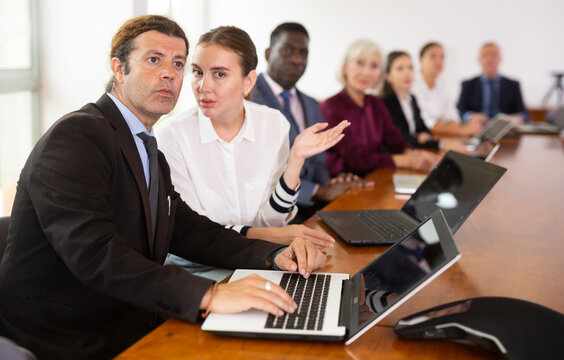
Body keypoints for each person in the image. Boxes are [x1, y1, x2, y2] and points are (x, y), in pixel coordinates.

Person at [0, 16, 327, 360]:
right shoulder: (77, 136)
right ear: (119, 69)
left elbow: (185, 228)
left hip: (130, 313)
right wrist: (209, 295)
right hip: (68, 333)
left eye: (178, 63)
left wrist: (269, 255)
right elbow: (95, 253)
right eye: (154, 59)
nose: (170, 73)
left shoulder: (146, 144)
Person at [156, 26, 346, 281]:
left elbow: (273, 221)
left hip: (261, 262)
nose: (203, 86)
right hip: (199, 272)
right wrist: (277, 238)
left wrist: (295, 161)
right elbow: (196, 234)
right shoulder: (171, 134)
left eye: (220, 74)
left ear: (249, 81)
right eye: (197, 72)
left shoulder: (273, 123)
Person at [250, 22, 370, 222]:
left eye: (303, 53)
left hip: (313, 207)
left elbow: (319, 162)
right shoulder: (248, 98)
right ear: (269, 53)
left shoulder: (311, 104)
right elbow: (259, 168)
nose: (297, 60)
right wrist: (317, 191)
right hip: (270, 212)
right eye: (287, 50)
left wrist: (329, 188)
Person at [321, 39, 440, 177]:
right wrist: (404, 160)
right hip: (346, 183)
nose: (366, 72)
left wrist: (416, 154)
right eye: (360, 63)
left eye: (374, 66)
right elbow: (353, 159)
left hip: (377, 175)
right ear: (345, 67)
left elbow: (395, 141)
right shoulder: (331, 106)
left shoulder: (376, 103)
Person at [381, 51, 468, 153]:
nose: (407, 73)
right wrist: (440, 143)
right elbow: (401, 137)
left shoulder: (411, 98)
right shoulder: (385, 102)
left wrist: (425, 134)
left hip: (414, 150)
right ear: (387, 76)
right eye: (400, 69)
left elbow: (422, 127)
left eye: (410, 68)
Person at [411, 42, 482, 136]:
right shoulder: (412, 84)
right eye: (433, 56)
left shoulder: (442, 83)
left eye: (442, 57)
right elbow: (423, 121)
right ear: (420, 61)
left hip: (441, 135)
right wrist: (460, 130)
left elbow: (451, 111)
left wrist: (452, 122)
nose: (438, 61)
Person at [457, 42, 529, 124]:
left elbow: (524, 114)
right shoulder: (468, 85)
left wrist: (517, 118)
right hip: (477, 129)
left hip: (505, 130)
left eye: (494, 55)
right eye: (485, 55)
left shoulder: (513, 85)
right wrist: (470, 116)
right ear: (479, 60)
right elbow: (459, 112)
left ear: (500, 58)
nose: (490, 60)